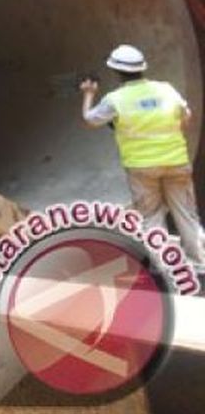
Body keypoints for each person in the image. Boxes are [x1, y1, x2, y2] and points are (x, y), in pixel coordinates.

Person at [81, 44, 202, 267]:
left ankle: (163, 266)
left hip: (142, 168)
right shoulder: (166, 89)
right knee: (186, 214)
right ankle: (199, 262)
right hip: (176, 161)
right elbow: (186, 115)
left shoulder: (115, 99)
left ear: (116, 71)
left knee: (151, 216)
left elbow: (90, 120)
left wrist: (89, 93)